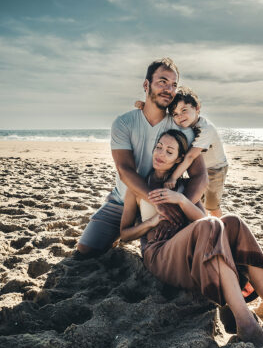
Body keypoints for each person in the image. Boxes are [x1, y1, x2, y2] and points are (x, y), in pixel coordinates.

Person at [120, 129, 263, 347]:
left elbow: (203, 220)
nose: (160, 154)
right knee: (212, 224)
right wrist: (150, 223)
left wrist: (180, 200)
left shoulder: (186, 187)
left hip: (189, 252)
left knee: (233, 221)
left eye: (169, 151)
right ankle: (245, 322)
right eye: (159, 147)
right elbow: (124, 234)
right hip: (160, 254)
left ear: (180, 159)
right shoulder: (138, 186)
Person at [76, 58, 208, 255]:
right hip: (124, 200)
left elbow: (200, 176)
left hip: (168, 203)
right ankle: (124, 232)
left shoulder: (182, 128)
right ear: (146, 85)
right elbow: (125, 170)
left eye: (173, 85)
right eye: (162, 82)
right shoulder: (124, 123)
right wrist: (156, 203)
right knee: (86, 250)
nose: (168, 89)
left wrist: (179, 208)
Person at [165, 86, 228, 218]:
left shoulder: (206, 129)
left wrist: (173, 177)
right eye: (175, 114)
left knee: (212, 205)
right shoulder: (185, 124)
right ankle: (205, 223)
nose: (180, 116)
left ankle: (221, 228)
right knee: (199, 201)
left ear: (197, 108)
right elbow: (162, 117)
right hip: (199, 169)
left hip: (215, 169)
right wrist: (145, 107)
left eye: (184, 110)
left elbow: (190, 156)